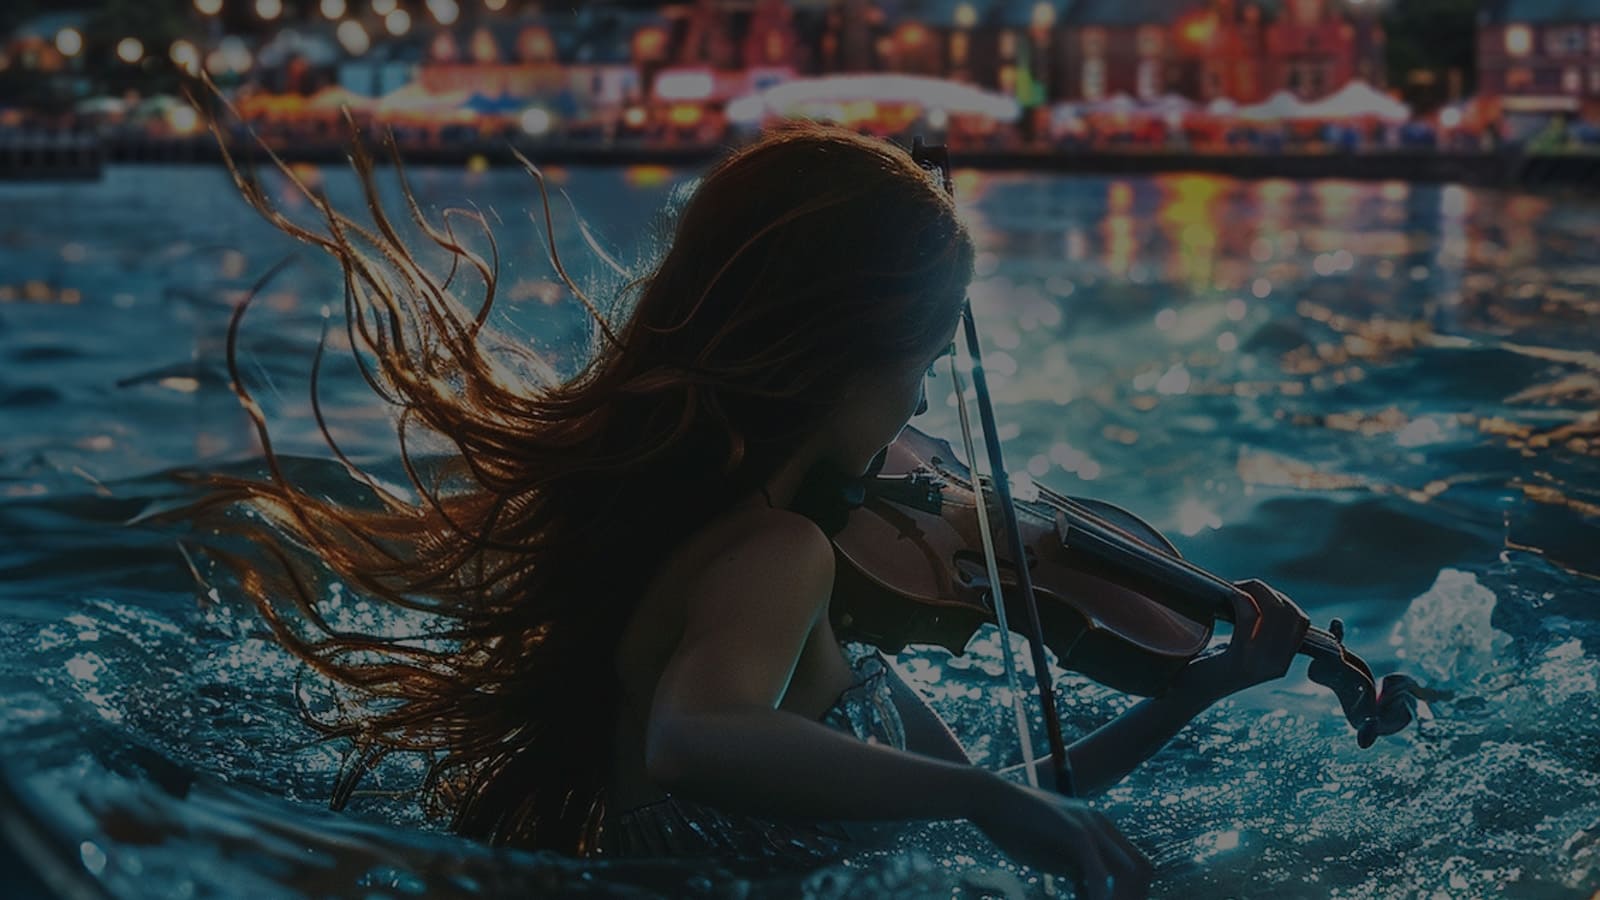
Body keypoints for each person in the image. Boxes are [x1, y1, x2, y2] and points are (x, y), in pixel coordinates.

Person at [174, 118, 1309, 900]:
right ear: (840, 354)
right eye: (922, 357)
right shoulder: (777, 553)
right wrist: (983, 797)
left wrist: (1203, 687)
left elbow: (1012, 802)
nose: (924, 399)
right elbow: (693, 738)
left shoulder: (738, 543)